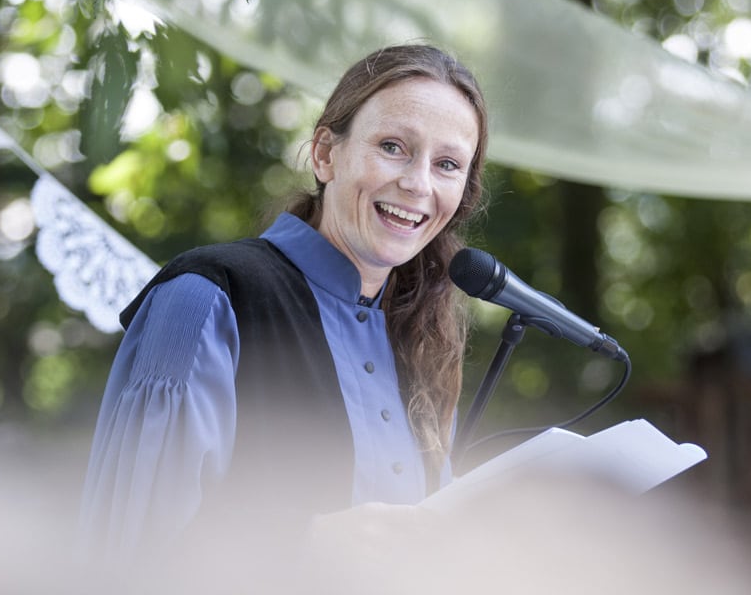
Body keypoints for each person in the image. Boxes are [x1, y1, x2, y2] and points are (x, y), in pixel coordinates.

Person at [77, 43, 489, 561]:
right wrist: (306, 541)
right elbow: (129, 547)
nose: (417, 183)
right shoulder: (206, 299)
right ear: (324, 154)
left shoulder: (423, 342)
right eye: (392, 147)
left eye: (447, 164)